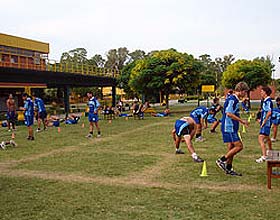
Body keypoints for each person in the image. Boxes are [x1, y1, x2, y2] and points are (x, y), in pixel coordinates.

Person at [216, 81, 249, 176]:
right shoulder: (232, 99)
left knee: (231, 148)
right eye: (245, 92)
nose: (245, 94)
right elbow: (229, 113)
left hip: (231, 127)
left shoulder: (235, 99)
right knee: (239, 146)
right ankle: (221, 160)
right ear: (241, 91)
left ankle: (229, 168)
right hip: (229, 127)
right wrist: (242, 121)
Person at [256, 86, 273, 163]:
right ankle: (271, 151)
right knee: (267, 137)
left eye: (262, 91)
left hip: (266, 123)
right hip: (266, 122)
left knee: (260, 138)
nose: (261, 93)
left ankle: (264, 156)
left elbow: (269, 112)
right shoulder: (265, 101)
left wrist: (264, 121)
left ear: (265, 93)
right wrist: (260, 119)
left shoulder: (268, 101)